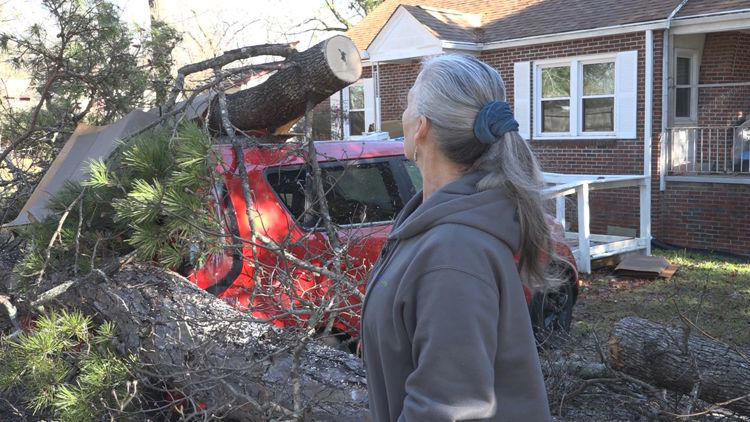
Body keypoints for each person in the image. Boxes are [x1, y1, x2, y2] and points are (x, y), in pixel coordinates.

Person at [360, 54, 556, 421]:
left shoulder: (455, 254)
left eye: (407, 101)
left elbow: (446, 409)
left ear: (422, 127)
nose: (400, 115)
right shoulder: (433, 225)